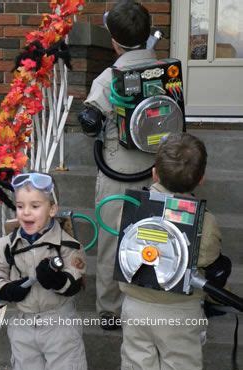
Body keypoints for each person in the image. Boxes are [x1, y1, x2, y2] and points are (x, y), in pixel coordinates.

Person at [119, 133, 231, 370]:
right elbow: (210, 262)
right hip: (180, 312)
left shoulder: (133, 206)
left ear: (155, 173)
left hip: (135, 307)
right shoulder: (206, 222)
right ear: (201, 178)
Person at [78, 0, 157, 329]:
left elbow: (89, 121)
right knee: (151, 237)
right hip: (156, 170)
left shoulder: (108, 78)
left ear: (113, 41)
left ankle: (110, 310)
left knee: (113, 239)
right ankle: (148, 300)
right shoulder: (164, 69)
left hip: (118, 171)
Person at [0, 172, 87, 370]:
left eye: (35, 206)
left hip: (59, 324)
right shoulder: (5, 246)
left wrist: (56, 280)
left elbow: (75, 280)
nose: (26, 212)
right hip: (23, 324)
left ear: (52, 209)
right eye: (20, 206)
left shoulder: (67, 245)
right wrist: (5, 288)